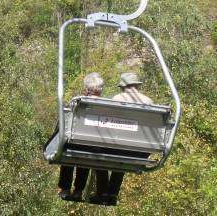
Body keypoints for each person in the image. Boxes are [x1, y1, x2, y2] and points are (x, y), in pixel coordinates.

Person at [89, 72, 155, 206]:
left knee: (100, 153)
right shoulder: (149, 101)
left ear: (123, 86)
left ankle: (102, 192)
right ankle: (112, 194)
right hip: (140, 151)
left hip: (118, 147)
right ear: (137, 85)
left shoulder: (117, 98)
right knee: (122, 159)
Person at [56, 72, 104, 201]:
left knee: (69, 148)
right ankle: (78, 190)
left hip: (75, 144)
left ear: (86, 89)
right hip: (95, 145)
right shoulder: (107, 106)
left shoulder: (76, 103)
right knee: (87, 152)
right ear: (100, 90)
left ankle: (65, 188)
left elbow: (64, 121)